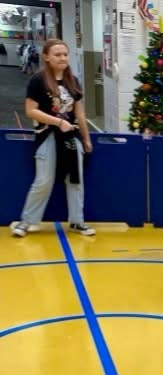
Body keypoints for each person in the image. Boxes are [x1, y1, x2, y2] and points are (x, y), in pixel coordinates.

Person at [11, 39, 95, 238]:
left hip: (71, 137)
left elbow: (80, 114)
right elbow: (31, 111)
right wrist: (57, 122)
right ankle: (27, 221)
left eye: (65, 54)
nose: (62, 58)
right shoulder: (38, 81)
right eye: (57, 54)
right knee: (44, 180)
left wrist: (86, 138)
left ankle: (77, 222)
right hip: (47, 135)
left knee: (76, 180)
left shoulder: (73, 81)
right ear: (46, 57)